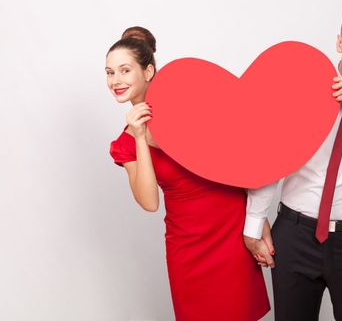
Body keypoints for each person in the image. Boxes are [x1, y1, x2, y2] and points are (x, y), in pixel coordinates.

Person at [243, 1, 342, 321]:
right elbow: (271, 158)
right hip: (294, 235)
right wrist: (253, 222)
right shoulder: (300, 89)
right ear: (339, 43)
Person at [106, 26, 270, 321]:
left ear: (148, 71)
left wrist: (259, 221)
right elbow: (149, 202)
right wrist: (141, 137)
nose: (115, 80)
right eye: (109, 72)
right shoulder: (126, 143)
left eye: (124, 70)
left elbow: (240, 160)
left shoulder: (191, 104)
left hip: (231, 234)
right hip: (188, 249)